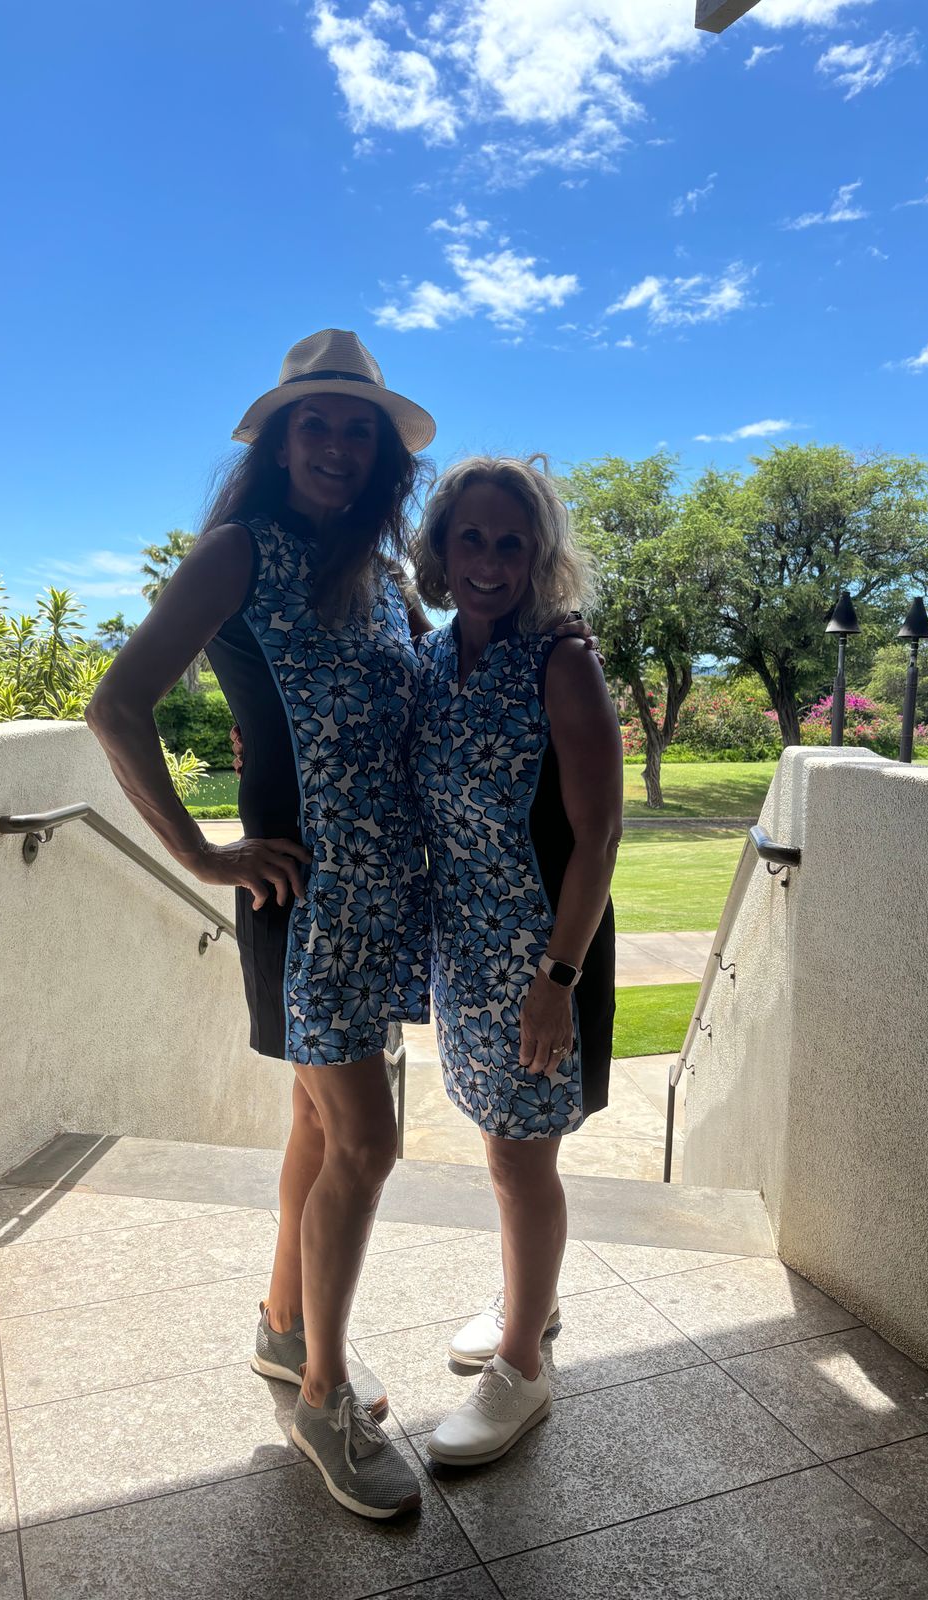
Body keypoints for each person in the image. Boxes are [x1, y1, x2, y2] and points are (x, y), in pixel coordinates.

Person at [85, 329, 436, 1519]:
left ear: (382, 455)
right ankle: (324, 1400)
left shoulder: (385, 577)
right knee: (368, 1145)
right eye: (314, 424)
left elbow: (427, 694)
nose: (336, 444)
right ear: (280, 443)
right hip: (305, 902)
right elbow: (116, 705)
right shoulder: (238, 550)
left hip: (379, 900)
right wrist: (199, 853)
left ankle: (286, 1328)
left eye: (357, 429)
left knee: (317, 1122)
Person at [408, 456, 623, 1466]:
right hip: (464, 948)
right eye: (472, 539)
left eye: (511, 543)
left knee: (519, 1154)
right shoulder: (432, 656)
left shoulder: (559, 662)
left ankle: (524, 1365)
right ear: (442, 549)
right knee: (500, 1142)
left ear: (538, 557)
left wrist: (557, 981)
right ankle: (528, 1300)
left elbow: (600, 836)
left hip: (543, 952)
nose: (490, 562)